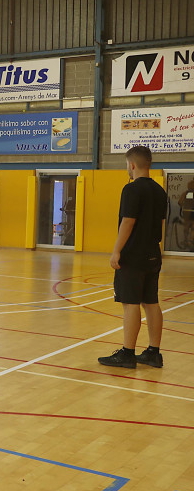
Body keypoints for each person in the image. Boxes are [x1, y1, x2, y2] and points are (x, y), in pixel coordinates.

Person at [98, 146, 168, 369]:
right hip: (152, 253)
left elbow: (128, 221)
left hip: (133, 255)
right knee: (151, 302)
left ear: (132, 165)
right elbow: (160, 223)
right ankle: (153, 353)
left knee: (130, 304)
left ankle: (127, 353)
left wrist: (116, 250)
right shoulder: (160, 191)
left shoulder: (131, 189)